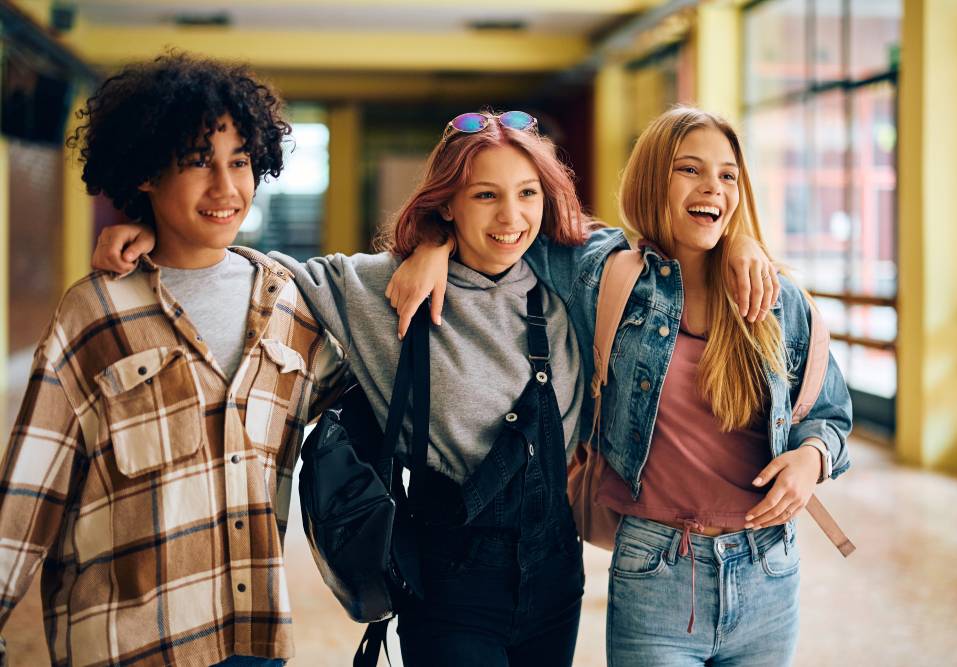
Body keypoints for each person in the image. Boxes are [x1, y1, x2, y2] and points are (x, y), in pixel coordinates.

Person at [90, 109, 778, 666]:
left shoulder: (569, 277)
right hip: (448, 581)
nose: (511, 216)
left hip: (554, 574)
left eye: (527, 193)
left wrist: (741, 242)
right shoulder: (383, 289)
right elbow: (262, 273)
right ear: (447, 202)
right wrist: (156, 232)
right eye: (485, 195)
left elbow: (662, 253)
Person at [387, 106, 853, 667]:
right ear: (653, 178)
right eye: (690, 170)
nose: (713, 188)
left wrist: (812, 457)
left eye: (728, 175)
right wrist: (430, 248)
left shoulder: (776, 296)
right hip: (653, 567)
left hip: (769, 569)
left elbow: (828, 414)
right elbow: (504, 226)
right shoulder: (600, 271)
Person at [0, 53, 347, 667]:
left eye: (239, 161)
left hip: (252, 635)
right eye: (197, 163)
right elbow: (30, 487)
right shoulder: (96, 311)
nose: (226, 188)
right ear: (145, 174)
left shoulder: (289, 302)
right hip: (130, 642)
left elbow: (374, 385)